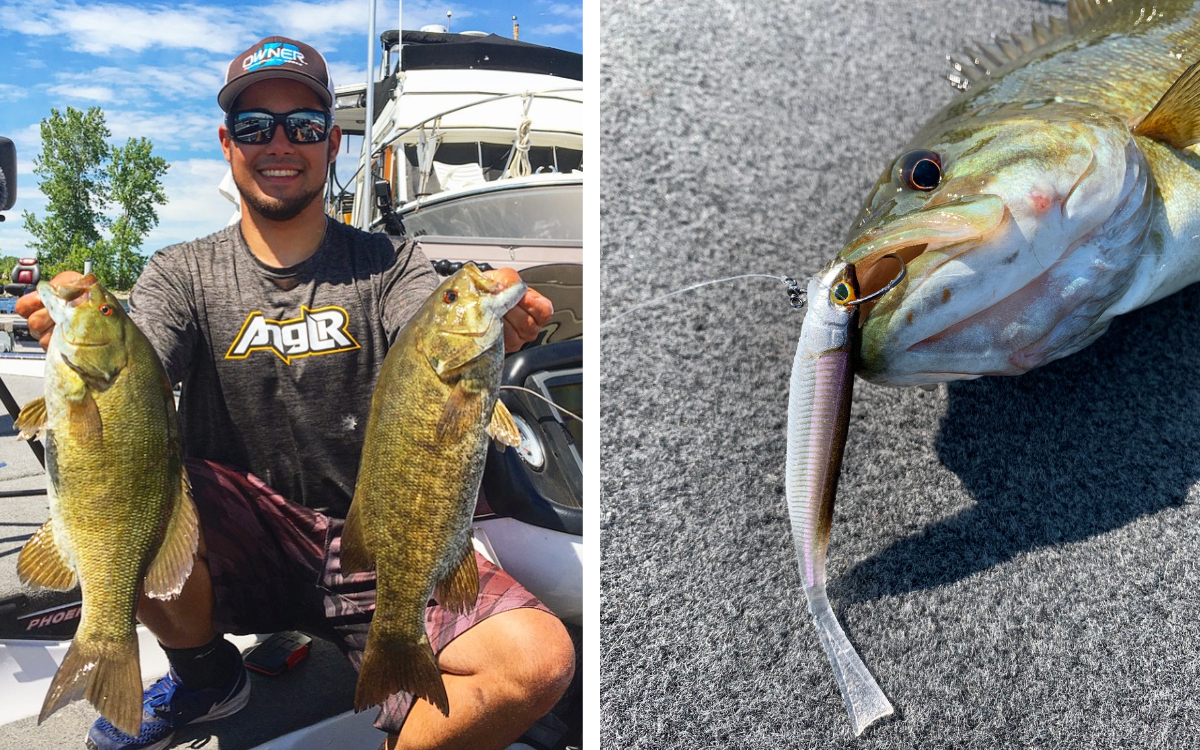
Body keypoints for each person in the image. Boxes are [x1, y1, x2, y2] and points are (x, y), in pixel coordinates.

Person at [18, 35, 575, 750]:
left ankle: (399, 700)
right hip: (234, 542)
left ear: (332, 142)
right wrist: (81, 341)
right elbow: (141, 368)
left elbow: (426, 332)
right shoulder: (180, 272)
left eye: (303, 125)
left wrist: (491, 332)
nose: (279, 143)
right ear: (227, 143)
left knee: (538, 665)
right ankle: (205, 678)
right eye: (255, 126)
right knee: (144, 492)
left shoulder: (391, 263)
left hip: (375, 544)